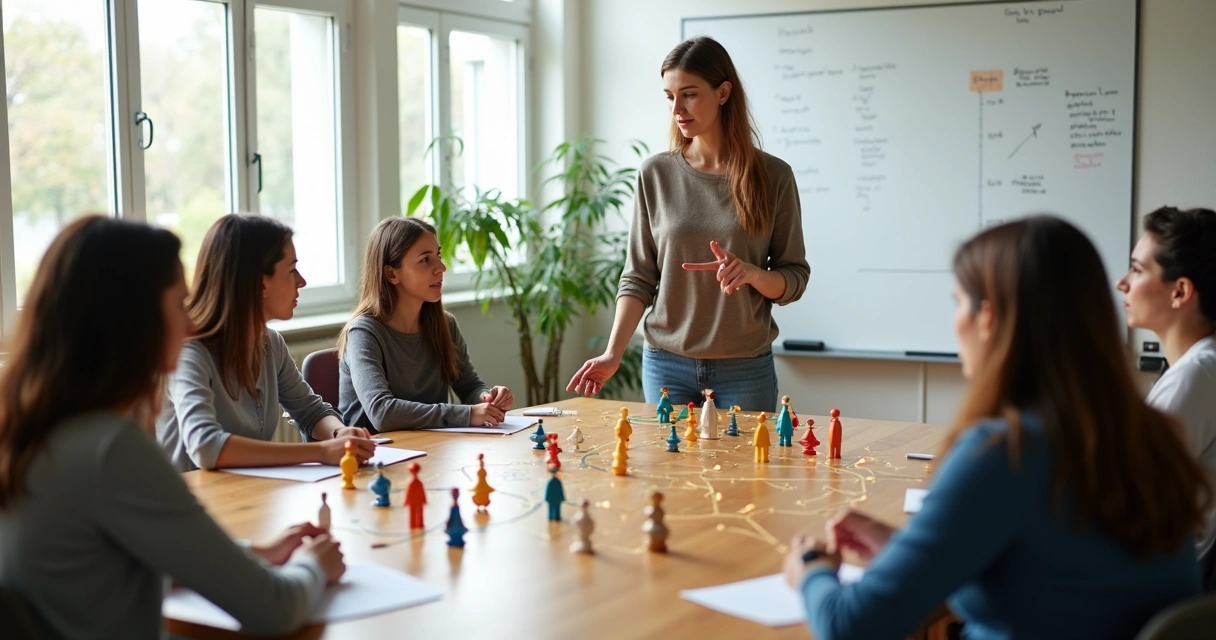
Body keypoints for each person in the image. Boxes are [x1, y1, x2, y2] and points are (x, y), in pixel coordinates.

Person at [785, 216, 1211, 639]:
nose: (955, 323)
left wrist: (810, 570)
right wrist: (907, 549)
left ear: (988, 318)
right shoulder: (1149, 436)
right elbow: (1055, 574)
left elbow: (848, 627)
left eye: (958, 303)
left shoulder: (1007, 451)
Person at [0, 217, 345, 637]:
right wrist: (314, 564)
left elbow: (118, 564)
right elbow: (274, 609)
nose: (191, 324)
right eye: (180, 304)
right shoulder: (111, 449)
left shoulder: (43, 430)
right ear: (135, 320)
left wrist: (256, 552)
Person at [566, 36, 809, 411]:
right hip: (666, 365)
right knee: (664, 454)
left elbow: (794, 277)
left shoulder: (774, 175)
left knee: (746, 454)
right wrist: (612, 353)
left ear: (723, 92)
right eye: (669, 96)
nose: (676, 109)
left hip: (744, 369)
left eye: (689, 95)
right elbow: (639, 277)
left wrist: (751, 274)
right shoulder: (655, 173)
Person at [157, 214, 375, 471]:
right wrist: (321, 451)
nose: (302, 281)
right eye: (291, 270)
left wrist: (340, 434)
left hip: (247, 490)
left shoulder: (271, 343)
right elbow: (205, 447)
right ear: (260, 283)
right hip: (192, 494)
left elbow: (310, 411)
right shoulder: (189, 352)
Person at [1117, 205, 1216, 587]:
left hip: (1158, 588)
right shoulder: (1196, 367)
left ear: (1180, 292)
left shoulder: (1196, 376)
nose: (1122, 283)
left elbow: (1124, 499)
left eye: (1137, 270)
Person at [338, 217, 512, 430]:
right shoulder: (364, 332)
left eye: (438, 256)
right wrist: (467, 414)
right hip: (375, 449)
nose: (442, 267)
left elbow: (469, 387)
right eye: (425, 260)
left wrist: (487, 398)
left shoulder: (445, 324)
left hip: (431, 445)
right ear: (391, 273)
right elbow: (382, 413)